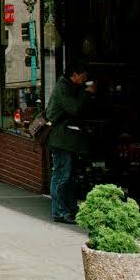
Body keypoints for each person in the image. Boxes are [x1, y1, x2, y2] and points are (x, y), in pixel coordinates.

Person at [46, 62, 96, 223]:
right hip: (61, 140)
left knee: (69, 176)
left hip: (68, 140)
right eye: (83, 76)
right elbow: (74, 108)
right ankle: (59, 212)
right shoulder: (63, 88)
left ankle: (70, 209)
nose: (85, 79)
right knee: (62, 175)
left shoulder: (71, 87)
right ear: (74, 75)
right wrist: (87, 93)